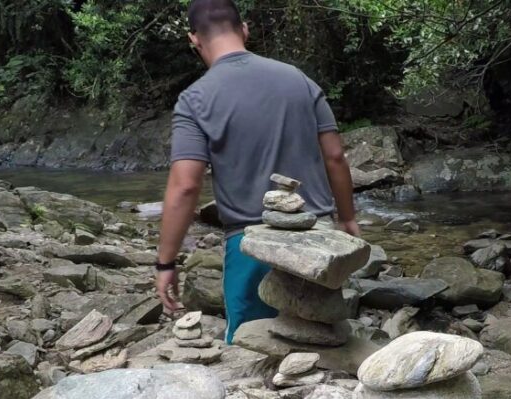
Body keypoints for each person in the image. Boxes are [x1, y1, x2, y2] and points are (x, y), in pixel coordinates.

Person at [154, 0, 360, 343]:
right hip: (316, 234)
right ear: (244, 29)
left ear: (194, 39)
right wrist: (348, 218)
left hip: (250, 243)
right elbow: (335, 157)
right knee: (320, 339)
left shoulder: (195, 99)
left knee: (252, 346)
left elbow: (185, 187)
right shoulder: (299, 80)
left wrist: (165, 263)